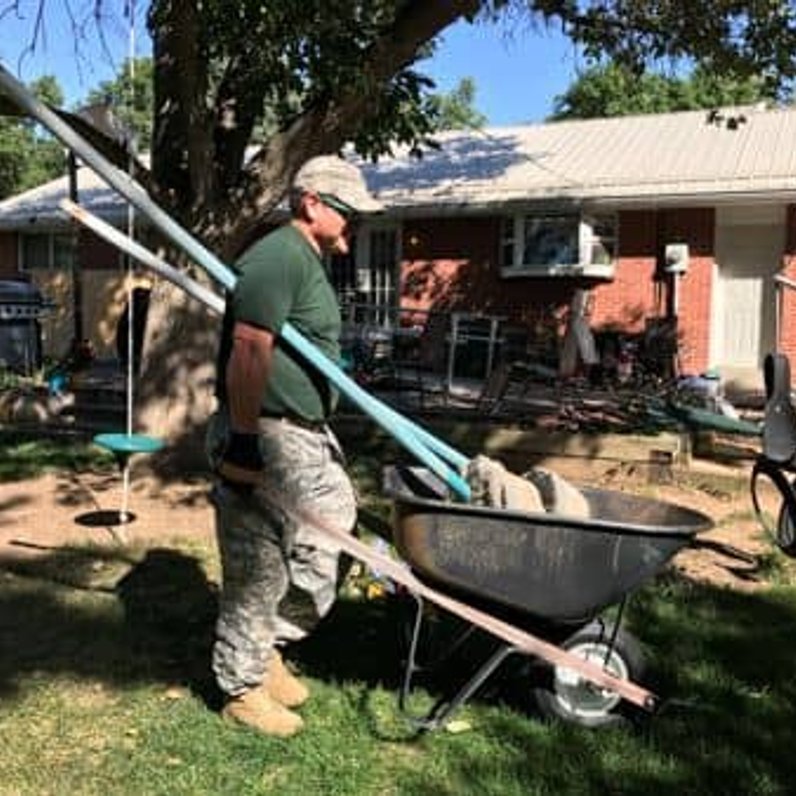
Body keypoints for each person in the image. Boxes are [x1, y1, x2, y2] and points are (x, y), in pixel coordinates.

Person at [206, 155, 383, 737]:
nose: (354, 225)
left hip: (304, 434)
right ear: (312, 203)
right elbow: (251, 350)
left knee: (329, 529)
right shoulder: (277, 257)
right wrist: (245, 441)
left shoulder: (305, 261)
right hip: (266, 430)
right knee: (257, 561)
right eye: (347, 212)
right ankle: (240, 686)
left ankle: (271, 646)